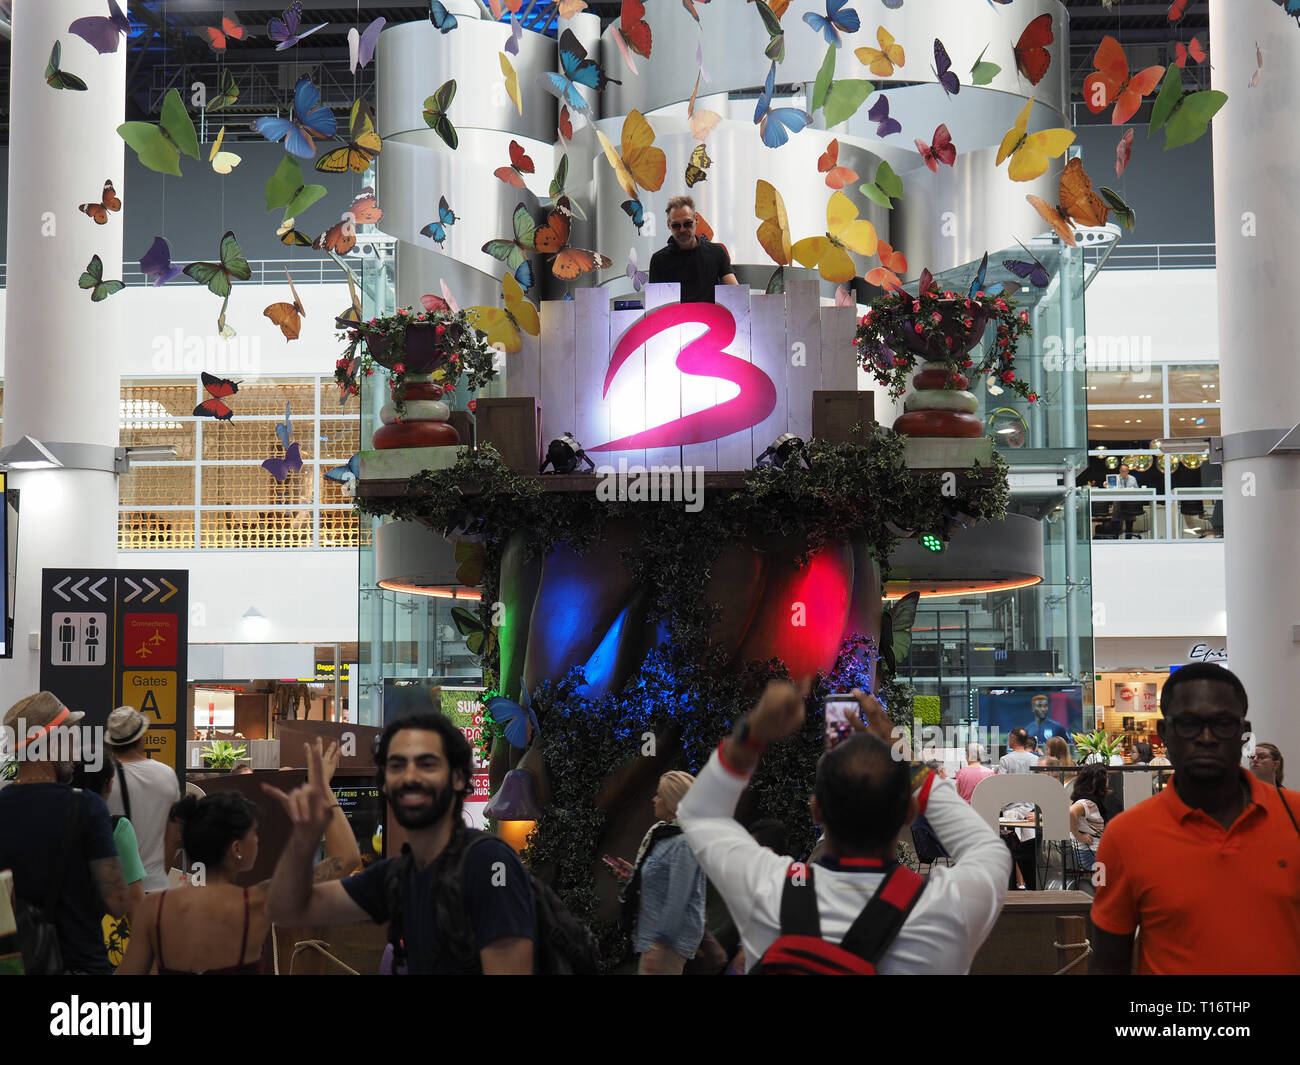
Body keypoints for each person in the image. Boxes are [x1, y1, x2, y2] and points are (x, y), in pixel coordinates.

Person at [677, 684, 1009, 973]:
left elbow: (700, 814)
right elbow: (988, 847)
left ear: (816, 811)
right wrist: (902, 753)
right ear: (909, 812)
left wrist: (753, 732)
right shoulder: (949, 907)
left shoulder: (767, 891)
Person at [264, 713, 536, 974]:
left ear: (458, 778)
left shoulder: (490, 864)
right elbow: (287, 908)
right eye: (397, 765)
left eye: (427, 764)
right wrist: (312, 817)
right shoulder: (397, 876)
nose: (410, 777)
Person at [1089, 663, 1300, 974]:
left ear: (1244, 734)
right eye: (1189, 723)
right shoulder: (1125, 836)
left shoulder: (1294, 816)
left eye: (1223, 723)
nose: (1206, 737)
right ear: (1164, 732)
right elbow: (1108, 962)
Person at [0, 692, 127, 974]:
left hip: (18, 966)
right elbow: (118, 901)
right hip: (82, 967)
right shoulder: (86, 806)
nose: (75, 753)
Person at [116, 792, 269, 975]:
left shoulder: (154, 907)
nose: (257, 840)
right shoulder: (255, 904)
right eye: (254, 832)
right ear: (236, 848)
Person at [625, 771, 706, 974]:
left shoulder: (683, 844)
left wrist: (660, 944)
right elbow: (662, 881)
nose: (654, 800)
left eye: (659, 795)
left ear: (672, 802)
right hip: (655, 940)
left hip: (666, 946)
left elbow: (678, 899)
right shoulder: (666, 835)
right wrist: (632, 876)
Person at [105, 706, 181, 892]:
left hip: (117, 890)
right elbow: (172, 838)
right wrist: (159, 875)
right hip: (156, 886)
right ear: (141, 738)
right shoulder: (167, 775)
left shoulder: (105, 779)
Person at [648, 194, 739, 303]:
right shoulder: (658, 260)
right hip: (676, 319)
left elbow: (736, 294)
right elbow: (656, 305)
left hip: (711, 317)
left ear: (696, 220)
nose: (682, 229)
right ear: (668, 225)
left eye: (687, 223)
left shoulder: (716, 252)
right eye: (676, 225)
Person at [1068, 764, 1109, 873]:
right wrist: (1079, 836)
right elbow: (1071, 812)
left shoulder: (1086, 800)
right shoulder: (1088, 802)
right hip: (1092, 854)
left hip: (1089, 852)